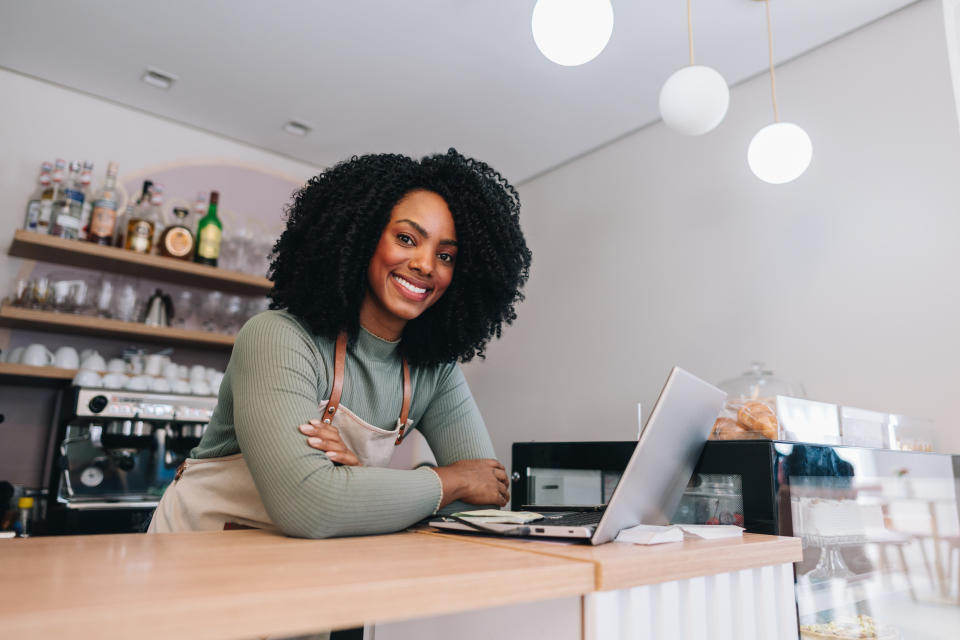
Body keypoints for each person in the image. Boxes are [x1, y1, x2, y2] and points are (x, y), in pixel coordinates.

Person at [148, 149, 532, 538]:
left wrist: (358, 484)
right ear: (363, 236)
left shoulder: (437, 371)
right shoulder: (278, 337)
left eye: (446, 256)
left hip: (296, 571)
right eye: (406, 238)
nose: (426, 265)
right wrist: (448, 480)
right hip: (192, 560)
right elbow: (309, 506)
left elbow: (485, 500)